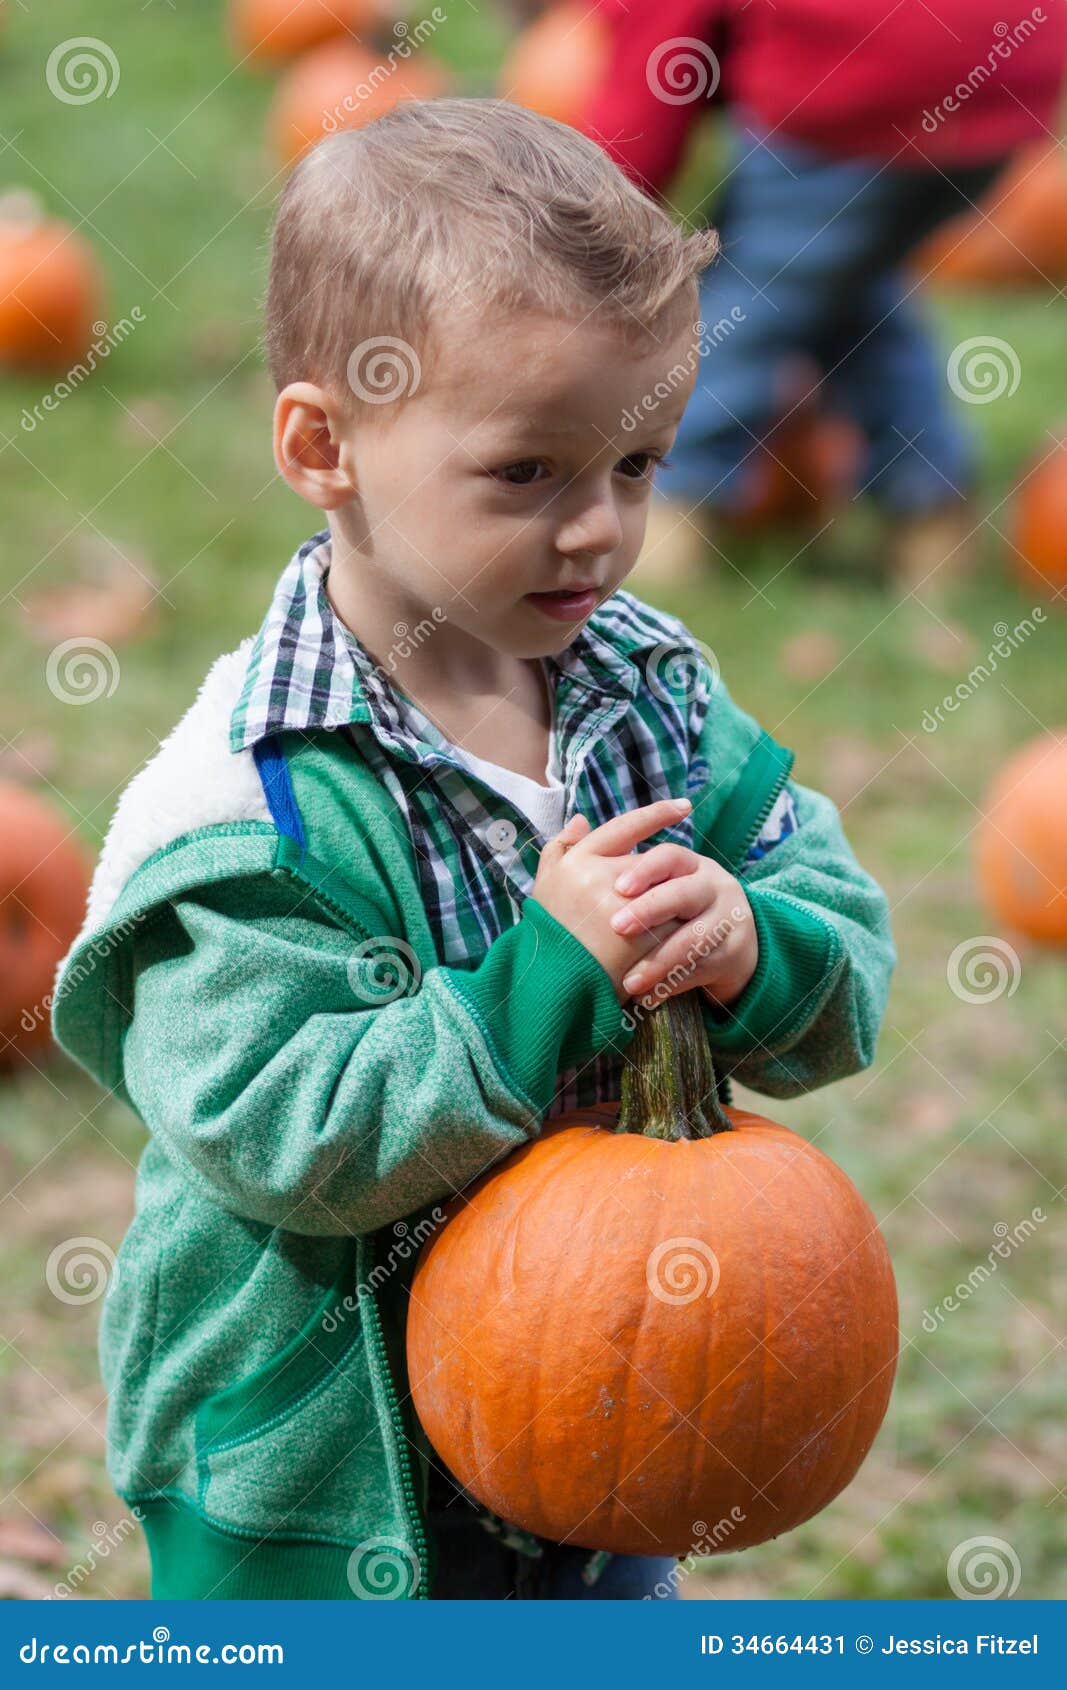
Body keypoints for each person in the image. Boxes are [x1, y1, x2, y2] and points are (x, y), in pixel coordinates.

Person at [51, 98, 895, 1600]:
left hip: (612, 1405)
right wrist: (538, 980)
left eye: (636, 466)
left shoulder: (653, 700)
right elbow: (271, 1128)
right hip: (317, 1477)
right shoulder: (255, 803)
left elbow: (841, 934)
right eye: (527, 475)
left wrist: (759, 941)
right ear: (326, 444)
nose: (595, 533)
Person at [578, 0, 1067, 590]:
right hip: (1002, 83)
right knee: (844, 286)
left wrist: (583, 240)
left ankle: (665, 522)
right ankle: (932, 518)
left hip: (857, 96)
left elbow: (639, 120)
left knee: (743, 315)